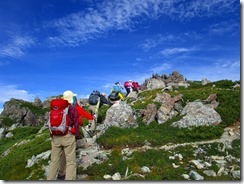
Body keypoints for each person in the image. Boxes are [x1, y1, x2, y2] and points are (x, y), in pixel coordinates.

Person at [57, 91, 94, 180]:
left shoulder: (60, 107)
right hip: (70, 134)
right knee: (70, 158)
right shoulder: (75, 108)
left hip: (59, 133)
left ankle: (61, 172)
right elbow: (89, 117)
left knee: (62, 153)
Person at [47, 90, 79, 180]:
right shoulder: (72, 108)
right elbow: (76, 123)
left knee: (54, 161)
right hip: (68, 136)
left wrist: (52, 136)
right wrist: (76, 135)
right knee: (71, 162)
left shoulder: (55, 107)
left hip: (55, 136)